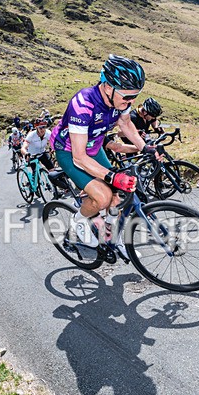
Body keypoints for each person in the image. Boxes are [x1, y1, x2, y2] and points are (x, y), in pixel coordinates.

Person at [50, 54, 159, 250]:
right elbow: (80, 157)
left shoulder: (121, 100)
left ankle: (109, 233)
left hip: (95, 146)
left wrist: (145, 147)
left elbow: (126, 124)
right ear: (108, 87)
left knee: (120, 194)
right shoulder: (83, 104)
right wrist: (112, 176)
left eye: (135, 96)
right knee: (102, 197)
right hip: (70, 151)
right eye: (127, 96)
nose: (131, 101)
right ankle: (79, 221)